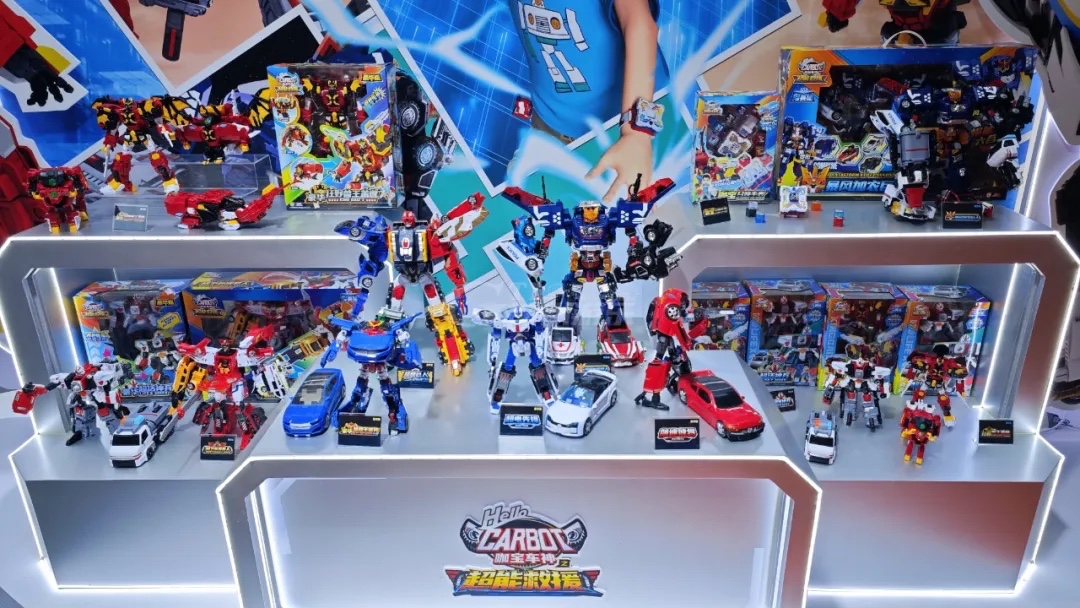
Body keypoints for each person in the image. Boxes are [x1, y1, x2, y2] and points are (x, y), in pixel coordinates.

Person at [509, 0, 665, 201]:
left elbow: (639, 24)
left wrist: (636, 133)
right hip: (548, 123)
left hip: (631, 121)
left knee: (644, 208)